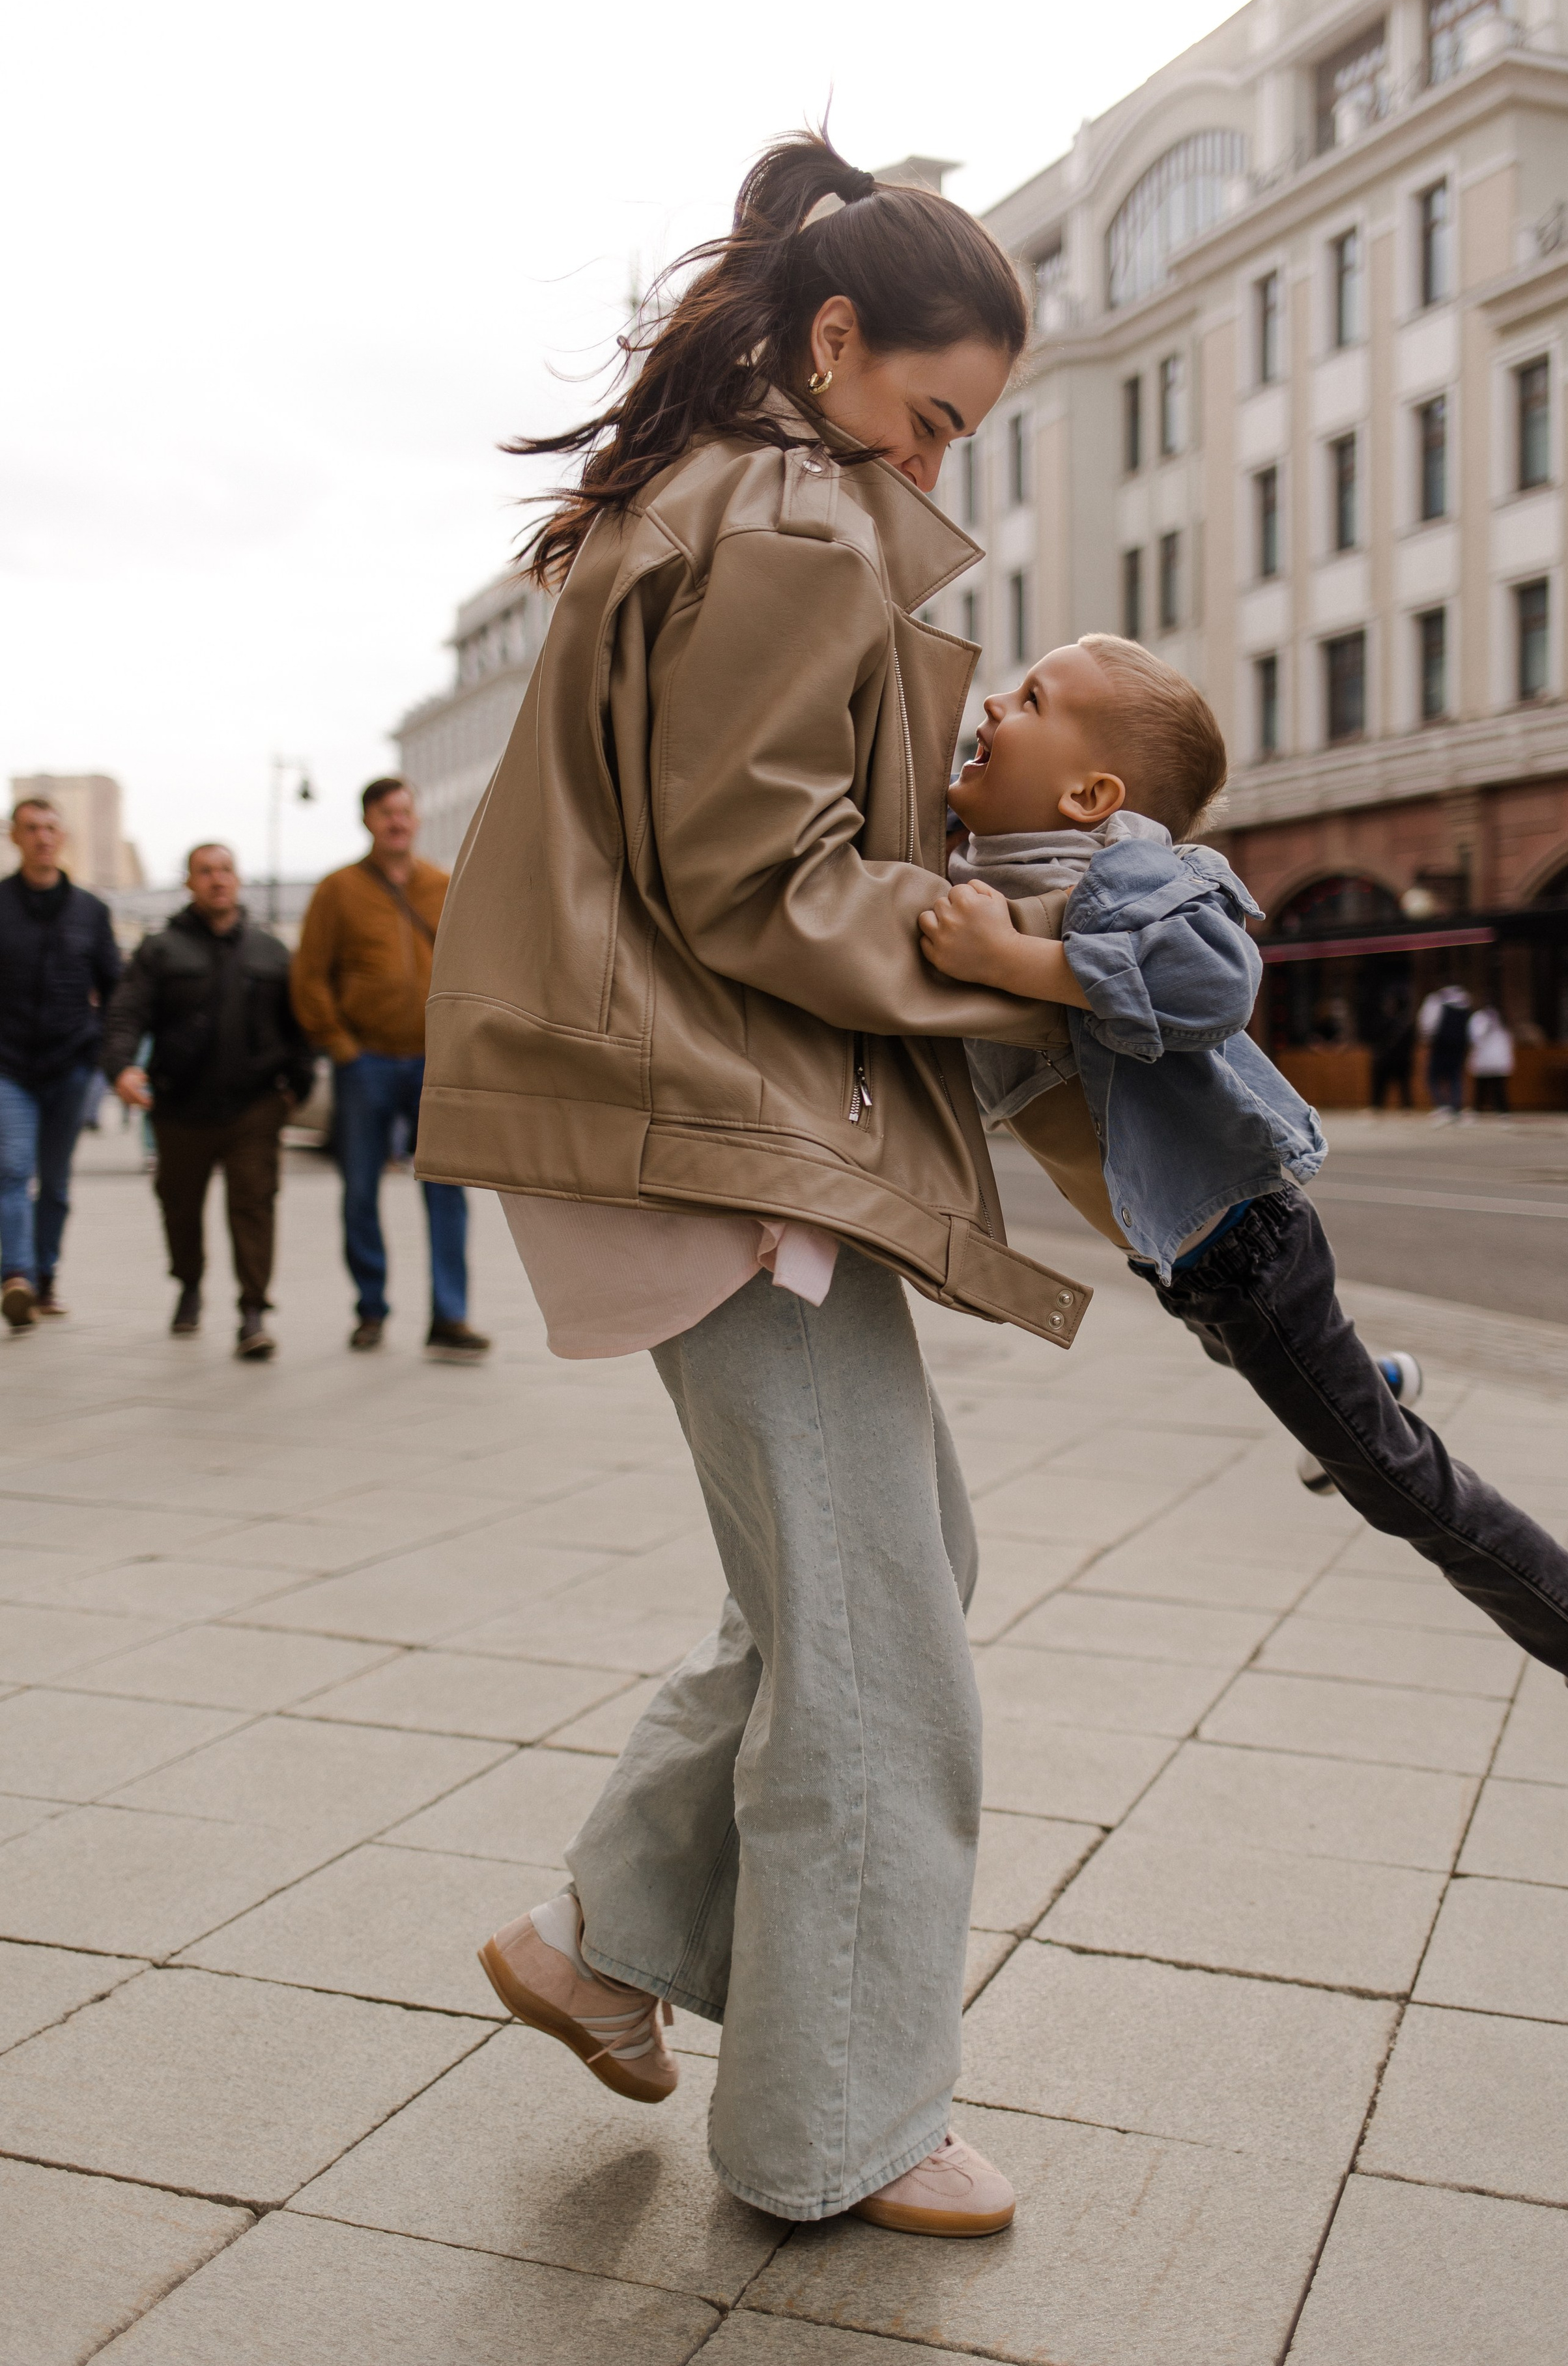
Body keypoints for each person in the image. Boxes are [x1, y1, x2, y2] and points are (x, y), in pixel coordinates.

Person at [421, 134, 1086, 2237]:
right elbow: (759, 877)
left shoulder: (716, 489)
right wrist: (1007, 966)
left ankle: (606, 1944)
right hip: (721, 1124)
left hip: (694, 1114)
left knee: (870, 1575)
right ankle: (839, 2124)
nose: (935, 457)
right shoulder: (798, 513)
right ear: (833, 340)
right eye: (934, 413)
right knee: (881, 1640)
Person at [918, 633, 1568, 1887]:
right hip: (1190, 1262)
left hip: (1244, 1252)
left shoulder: (1127, 873)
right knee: (1306, 1388)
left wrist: (1013, 961)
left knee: (1400, 1486)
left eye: (1033, 697)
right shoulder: (991, 860)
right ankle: (1366, 1380)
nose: (995, 699)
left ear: (1094, 797)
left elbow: (1214, 982)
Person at [289, 778, 488, 1360]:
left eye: (404, 811)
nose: (397, 822)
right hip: (366, 1060)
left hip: (434, 1062)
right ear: (368, 821)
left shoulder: (443, 885)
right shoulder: (338, 890)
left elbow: (473, 961)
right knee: (359, 1189)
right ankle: (371, 1309)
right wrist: (339, 1044)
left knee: (448, 1190)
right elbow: (309, 976)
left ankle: (450, 1315)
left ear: (416, 819)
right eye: (385, 813)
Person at [104, 843, 313, 1358]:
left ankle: (253, 1313)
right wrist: (121, 1066)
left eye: (225, 870)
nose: (218, 880)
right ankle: (190, 1283)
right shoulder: (162, 950)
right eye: (206, 872)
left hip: (255, 1103)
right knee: (180, 1205)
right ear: (190, 883)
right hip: (180, 1104)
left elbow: (299, 1026)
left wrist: (298, 1086)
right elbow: (127, 1014)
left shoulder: (270, 951)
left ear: (238, 879)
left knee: (254, 1203)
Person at [0, 797, 122, 1330]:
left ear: (63, 836)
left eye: (51, 828)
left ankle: (46, 1278)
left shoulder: (90, 911)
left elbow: (117, 988)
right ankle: (16, 1277)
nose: (42, 838)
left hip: (71, 1064)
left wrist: (103, 1053)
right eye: (31, 829)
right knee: (11, 1169)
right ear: (14, 836)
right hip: (7, 1066)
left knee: (56, 1183)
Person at [1419, 980, 1472, 1121]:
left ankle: (1442, 1105)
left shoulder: (1437, 1001)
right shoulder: (1465, 1003)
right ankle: (1456, 1106)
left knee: (1432, 1076)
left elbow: (1428, 1023)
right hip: (1459, 1045)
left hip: (1441, 1043)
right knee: (1455, 1076)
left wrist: (1427, 1039)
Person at [1366, 982, 1415, 1110]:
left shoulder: (1405, 1023)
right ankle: (1376, 1107)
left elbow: (1410, 1043)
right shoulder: (1381, 1021)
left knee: (1404, 1088)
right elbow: (1374, 1038)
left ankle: (1407, 1109)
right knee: (1379, 1088)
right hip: (1384, 1060)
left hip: (1400, 1060)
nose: (1389, 1005)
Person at [1468, 999, 1515, 1114]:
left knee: (1498, 1086)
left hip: (1496, 1058)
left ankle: (1501, 1109)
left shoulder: (1502, 1020)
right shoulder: (1479, 1018)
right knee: (1482, 1086)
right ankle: (1479, 1108)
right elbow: (1476, 1036)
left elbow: (1507, 1040)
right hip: (1486, 1057)